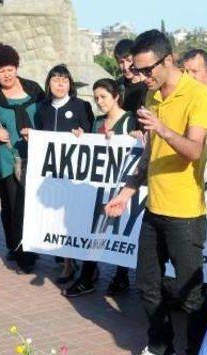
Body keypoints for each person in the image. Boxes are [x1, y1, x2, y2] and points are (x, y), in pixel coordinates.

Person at [105, 30, 207, 355]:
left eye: (147, 70)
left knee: (191, 294)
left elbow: (195, 151)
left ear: (168, 61)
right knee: (147, 283)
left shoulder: (198, 95)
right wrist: (126, 192)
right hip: (154, 209)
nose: (142, 77)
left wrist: (164, 128)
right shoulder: (152, 97)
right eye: (137, 71)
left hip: (185, 213)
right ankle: (161, 347)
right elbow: (150, 154)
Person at [0, 43, 45, 274]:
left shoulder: (36, 91)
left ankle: (34, 244)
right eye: (0, 71)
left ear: (16, 67)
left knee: (36, 205)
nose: (6, 74)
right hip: (8, 160)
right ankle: (21, 254)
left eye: (9, 69)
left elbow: (49, 117)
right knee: (13, 207)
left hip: (38, 160)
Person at [35, 64, 95, 291]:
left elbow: (91, 136)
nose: (60, 84)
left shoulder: (81, 106)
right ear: (48, 83)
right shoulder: (42, 108)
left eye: (64, 80)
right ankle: (68, 263)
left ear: (70, 84)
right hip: (53, 175)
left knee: (76, 218)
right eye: (55, 80)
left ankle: (83, 264)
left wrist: (83, 136)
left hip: (76, 174)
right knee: (57, 218)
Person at [84, 78, 138, 297]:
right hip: (98, 186)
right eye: (96, 98)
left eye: (103, 97)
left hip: (123, 186)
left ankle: (120, 276)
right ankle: (88, 272)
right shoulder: (97, 122)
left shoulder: (129, 121)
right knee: (93, 228)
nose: (99, 102)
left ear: (116, 96)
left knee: (119, 230)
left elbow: (139, 147)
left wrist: (135, 137)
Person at [113, 39, 148, 113]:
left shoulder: (149, 83)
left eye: (129, 61)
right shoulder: (117, 86)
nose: (125, 67)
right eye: (121, 62)